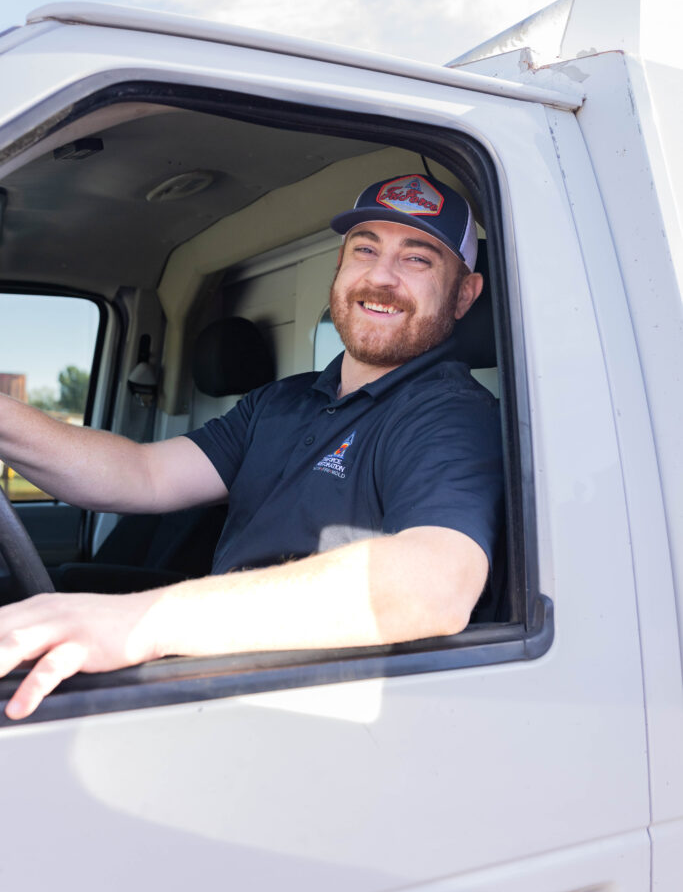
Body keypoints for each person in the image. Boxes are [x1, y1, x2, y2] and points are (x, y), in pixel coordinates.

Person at [0, 173, 503, 720]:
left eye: (417, 259)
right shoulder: (282, 401)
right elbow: (143, 473)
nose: (380, 276)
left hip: (309, 715)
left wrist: (145, 621)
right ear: (341, 266)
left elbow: (436, 584)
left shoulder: (451, 414)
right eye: (364, 249)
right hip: (214, 688)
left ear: (464, 294)